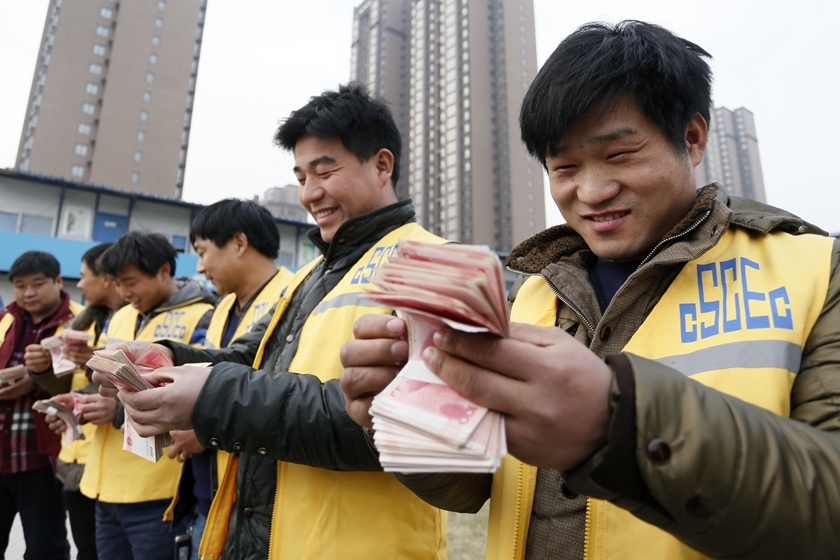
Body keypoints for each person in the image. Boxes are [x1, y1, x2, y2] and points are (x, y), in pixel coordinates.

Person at [340, 20, 840, 560]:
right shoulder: (533, 296)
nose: (593, 192)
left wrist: (618, 426)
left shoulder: (815, 271)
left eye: (620, 156)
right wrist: (407, 417)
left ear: (693, 139)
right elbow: (474, 488)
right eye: (565, 168)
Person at [106, 84, 449, 560]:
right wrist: (171, 357)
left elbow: (400, 425)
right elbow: (250, 358)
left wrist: (212, 397)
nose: (310, 193)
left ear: (382, 165)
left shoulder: (432, 262)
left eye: (325, 172)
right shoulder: (310, 273)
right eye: (301, 176)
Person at [79, 232, 214, 560]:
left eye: (131, 281)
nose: (125, 293)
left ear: (164, 270)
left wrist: (114, 409)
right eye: (117, 283)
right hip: (106, 484)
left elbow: (192, 398)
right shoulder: (121, 315)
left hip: (158, 490)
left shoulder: (204, 316)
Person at [177, 198, 294, 559]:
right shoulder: (222, 307)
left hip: (260, 508)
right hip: (209, 497)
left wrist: (204, 431)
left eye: (203, 252)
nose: (199, 267)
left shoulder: (294, 299)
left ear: (239, 243)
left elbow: (284, 402)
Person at [35, 243, 124, 560]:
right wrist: (41, 368)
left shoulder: (130, 322)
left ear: (106, 279)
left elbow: (134, 385)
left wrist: (92, 361)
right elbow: (68, 382)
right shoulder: (83, 325)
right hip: (75, 455)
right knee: (87, 548)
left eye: (85, 276)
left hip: (113, 460)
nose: (81, 284)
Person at [0, 251, 80, 559]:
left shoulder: (79, 318)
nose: (28, 293)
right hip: (3, 450)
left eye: (37, 284)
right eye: (20, 285)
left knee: (45, 547)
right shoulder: (5, 318)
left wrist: (37, 378)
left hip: (44, 457)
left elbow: (84, 378)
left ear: (58, 281)